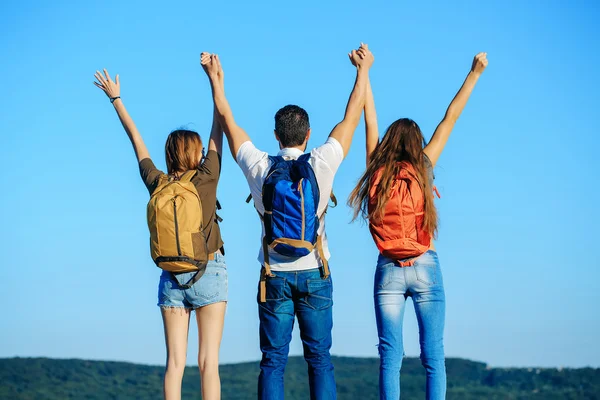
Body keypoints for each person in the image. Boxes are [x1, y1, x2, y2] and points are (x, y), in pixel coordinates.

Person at [200, 45, 374, 399]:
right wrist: (363, 70)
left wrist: (215, 81)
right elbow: (352, 116)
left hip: (274, 276)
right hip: (315, 274)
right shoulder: (322, 162)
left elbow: (228, 121)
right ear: (308, 135)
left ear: (276, 136)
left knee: (273, 361)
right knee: (320, 359)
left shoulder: (259, 166)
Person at [348, 52, 488, 400]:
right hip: (426, 264)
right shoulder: (424, 167)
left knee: (390, 357)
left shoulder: (375, 170)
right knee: (433, 355)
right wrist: (474, 73)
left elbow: (370, 122)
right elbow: (450, 119)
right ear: (415, 143)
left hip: (388, 270)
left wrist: (364, 73)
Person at [93, 68, 228, 400]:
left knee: (175, 365)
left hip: (171, 276)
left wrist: (116, 99)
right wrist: (216, 83)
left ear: (169, 155)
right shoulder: (207, 176)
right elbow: (218, 128)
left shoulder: (157, 181)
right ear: (196, 154)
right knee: (208, 363)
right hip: (208, 270)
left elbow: (136, 140)